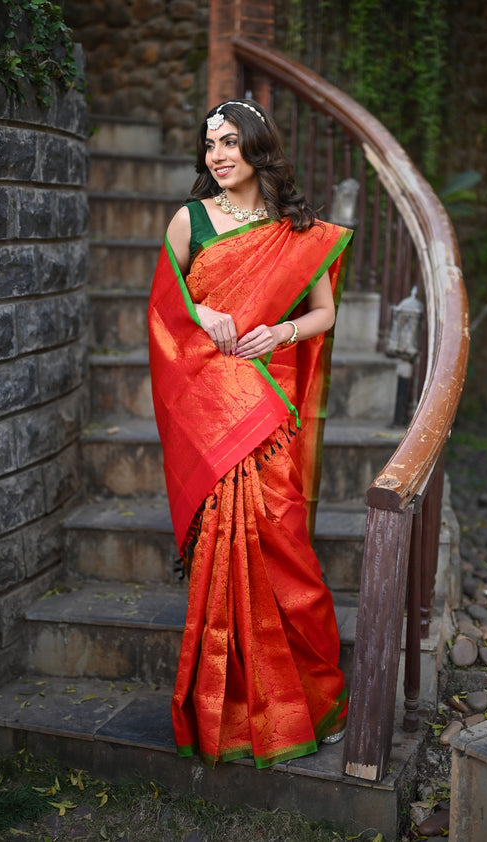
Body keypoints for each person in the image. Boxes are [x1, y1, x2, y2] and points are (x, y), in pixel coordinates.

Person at [148, 99, 353, 769]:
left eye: (231, 141)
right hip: (213, 400)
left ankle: (310, 700)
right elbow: (163, 306)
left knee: (284, 543)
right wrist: (201, 309)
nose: (217, 155)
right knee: (222, 552)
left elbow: (321, 313)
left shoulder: (299, 231)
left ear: (258, 147)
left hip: (273, 402)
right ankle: (226, 715)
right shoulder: (191, 221)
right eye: (209, 144)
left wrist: (282, 330)